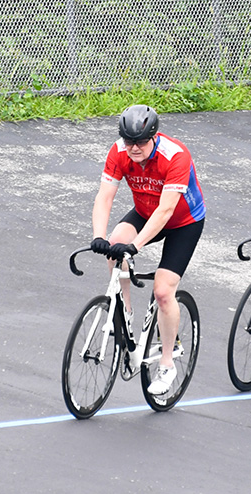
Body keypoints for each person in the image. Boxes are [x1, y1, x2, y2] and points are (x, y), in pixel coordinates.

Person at [89, 104, 207, 395]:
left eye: (141, 142)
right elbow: (104, 197)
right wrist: (98, 236)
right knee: (115, 244)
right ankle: (123, 311)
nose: (134, 148)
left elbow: (167, 210)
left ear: (154, 137)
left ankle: (167, 364)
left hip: (183, 221)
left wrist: (136, 245)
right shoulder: (119, 152)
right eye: (129, 141)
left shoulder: (175, 156)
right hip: (145, 211)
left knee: (164, 291)